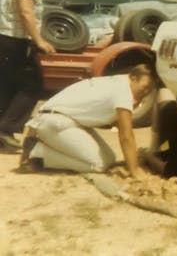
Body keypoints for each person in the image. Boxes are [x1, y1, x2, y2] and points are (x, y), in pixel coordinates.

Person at [19, 64, 156, 177]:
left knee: (109, 159)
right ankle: (37, 153)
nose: (146, 93)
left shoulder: (120, 82)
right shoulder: (124, 91)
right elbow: (126, 136)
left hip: (63, 120)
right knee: (98, 165)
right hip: (54, 121)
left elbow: (117, 124)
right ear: (133, 78)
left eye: (149, 91)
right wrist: (135, 172)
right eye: (145, 88)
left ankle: (44, 147)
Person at [0, 0, 56, 150]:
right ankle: (7, 128)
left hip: (6, 39)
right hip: (18, 42)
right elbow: (25, 12)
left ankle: (3, 134)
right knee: (32, 86)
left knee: (9, 87)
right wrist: (39, 40)